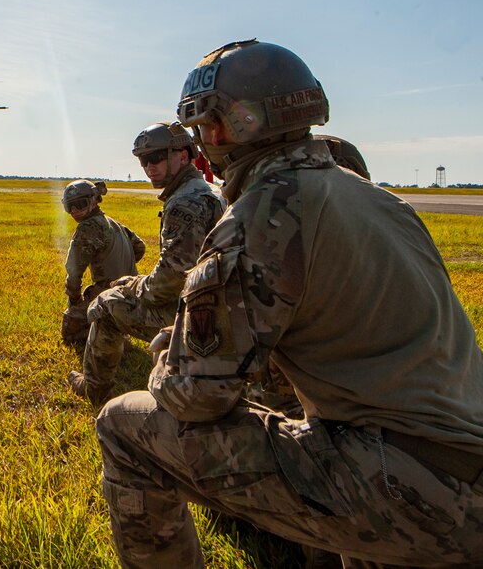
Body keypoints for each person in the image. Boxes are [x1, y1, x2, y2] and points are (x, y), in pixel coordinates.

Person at [94, 39, 483, 568]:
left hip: (408, 491)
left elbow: (196, 398)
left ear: (228, 128)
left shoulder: (266, 211)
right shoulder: (382, 201)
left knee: (123, 425)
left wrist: (166, 361)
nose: (205, 144)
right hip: (455, 475)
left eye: (205, 127)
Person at [67, 122, 225, 405]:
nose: (149, 166)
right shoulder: (211, 190)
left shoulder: (184, 203)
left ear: (183, 156)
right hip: (217, 304)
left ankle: (93, 388)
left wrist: (132, 285)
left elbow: (169, 281)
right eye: (143, 160)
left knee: (104, 304)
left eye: (157, 157)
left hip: (195, 316)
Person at [60, 179, 145, 348]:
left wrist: (74, 300)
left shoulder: (88, 227)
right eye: (70, 207)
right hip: (134, 292)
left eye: (80, 204)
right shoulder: (113, 223)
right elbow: (139, 247)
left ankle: (111, 335)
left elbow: (74, 271)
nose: (75, 211)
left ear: (93, 201)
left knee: (70, 330)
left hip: (112, 294)